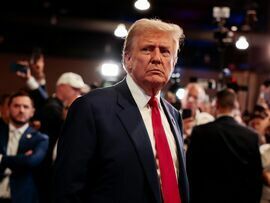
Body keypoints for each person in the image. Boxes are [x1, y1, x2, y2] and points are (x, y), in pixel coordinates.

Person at [54, 18, 189, 203]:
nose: (157, 58)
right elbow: (67, 189)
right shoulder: (91, 108)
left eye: (165, 51)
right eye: (147, 49)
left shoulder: (174, 115)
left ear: (173, 62)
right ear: (127, 59)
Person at [186, 88, 263, 203]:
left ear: (216, 104)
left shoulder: (200, 131)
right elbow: (256, 178)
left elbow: (190, 170)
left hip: (206, 197)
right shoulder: (251, 136)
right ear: (235, 107)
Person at [0, 90, 48, 203]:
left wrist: (1, 159)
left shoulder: (40, 138)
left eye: (25, 107)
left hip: (23, 197)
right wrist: (21, 159)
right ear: (8, 108)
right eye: (16, 106)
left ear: (32, 112)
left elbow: (30, 161)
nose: (21, 110)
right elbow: (25, 162)